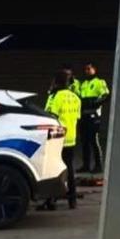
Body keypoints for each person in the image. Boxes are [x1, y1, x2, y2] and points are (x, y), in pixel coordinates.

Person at [44, 70, 81, 209]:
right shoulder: (75, 97)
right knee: (69, 168)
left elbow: (50, 116)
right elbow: (77, 117)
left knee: (53, 168)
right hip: (71, 137)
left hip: (57, 138)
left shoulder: (55, 96)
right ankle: (72, 199)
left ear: (56, 82)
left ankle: (51, 200)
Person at [76, 62, 110, 173]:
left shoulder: (99, 82)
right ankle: (86, 165)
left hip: (93, 116)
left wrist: (95, 103)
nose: (87, 71)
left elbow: (106, 95)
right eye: (85, 69)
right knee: (84, 142)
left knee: (94, 141)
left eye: (89, 69)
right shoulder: (84, 84)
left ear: (94, 69)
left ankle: (98, 166)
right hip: (84, 116)